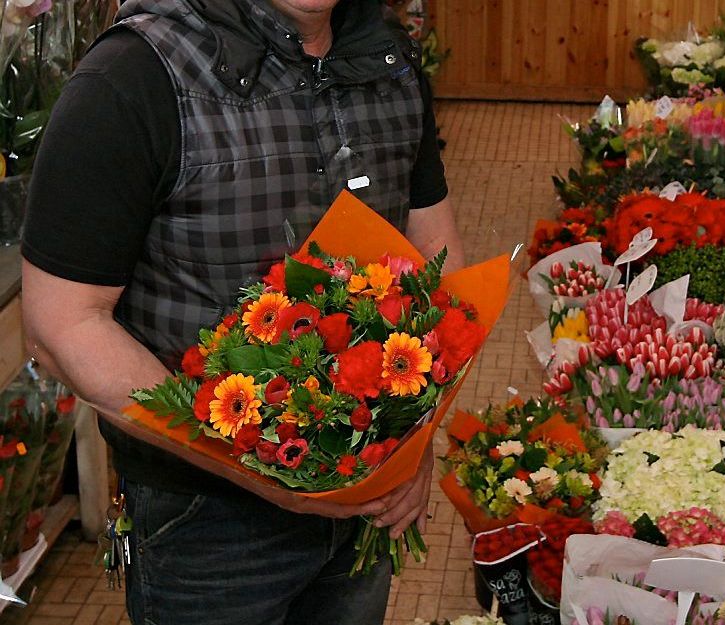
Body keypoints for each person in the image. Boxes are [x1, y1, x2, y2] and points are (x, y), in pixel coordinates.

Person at [19, 0, 462, 623]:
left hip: (368, 504)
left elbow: (434, 256)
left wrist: (413, 435)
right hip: (208, 525)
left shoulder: (386, 58)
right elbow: (60, 324)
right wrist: (259, 474)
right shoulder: (133, 77)